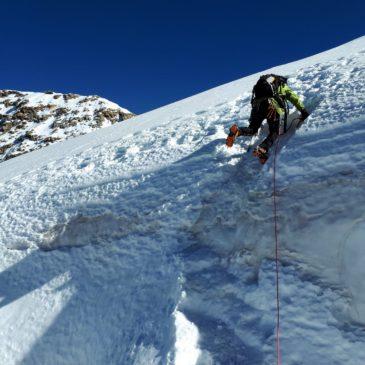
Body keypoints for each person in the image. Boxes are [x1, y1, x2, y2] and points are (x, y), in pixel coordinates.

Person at [226, 74, 309, 163]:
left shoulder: (262, 85)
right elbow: (293, 98)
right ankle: (262, 148)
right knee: (275, 132)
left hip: (257, 106)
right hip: (272, 106)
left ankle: (237, 131)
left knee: (253, 129)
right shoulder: (281, 85)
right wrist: (303, 111)